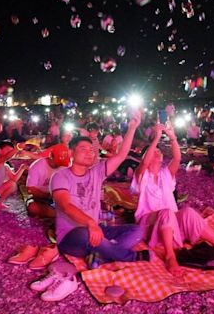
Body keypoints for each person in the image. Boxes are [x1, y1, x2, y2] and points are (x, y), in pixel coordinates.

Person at [132, 123, 214, 276]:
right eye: (154, 151)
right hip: (147, 223)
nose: (158, 153)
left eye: (159, 151)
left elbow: (178, 158)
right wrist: (156, 138)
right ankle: (170, 256)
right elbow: (144, 163)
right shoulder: (142, 176)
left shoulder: (165, 174)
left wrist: (172, 138)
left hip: (168, 222)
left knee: (188, 212)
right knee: (166, 213)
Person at [50, 110, 145, 265]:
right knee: (86, 235)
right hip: (72, 235)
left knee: (136, 231)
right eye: (83, 150)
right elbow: (65, 206)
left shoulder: (96, 172)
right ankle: (129, 256)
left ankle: (101, 253)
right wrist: (91, 223)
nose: (89, 153)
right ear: (71, 153)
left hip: (95, 229)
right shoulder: (61, 176)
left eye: (91, 151)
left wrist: (132, 128)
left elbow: (121, 156)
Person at [25, 146, 69, 218]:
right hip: (40, 197)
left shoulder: (64, 166)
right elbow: (30, 189)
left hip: (58, 198)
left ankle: (59, 214)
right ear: (51, 156)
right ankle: (60, 214)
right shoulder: (37, 166)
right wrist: (47, 196)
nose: (59, 165)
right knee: (32, 207)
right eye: (58, 162)